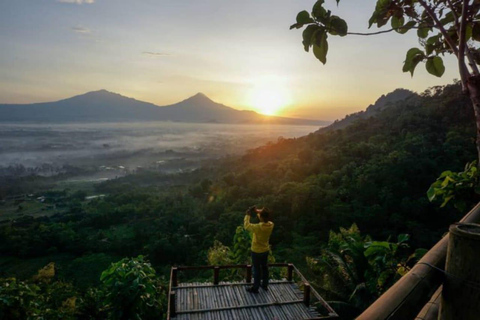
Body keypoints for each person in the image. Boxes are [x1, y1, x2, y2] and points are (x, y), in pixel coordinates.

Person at [244, 206, 274, 293]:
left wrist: (247, 215)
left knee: (256, 269)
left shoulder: (258, 227)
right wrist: (257, 211)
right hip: (265, 250)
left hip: (256, 251)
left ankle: (255, 288)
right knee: (264, 268)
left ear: (261, 217)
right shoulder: (271, 225)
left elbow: (246, 226)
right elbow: (263, 218)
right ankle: (265, 285)